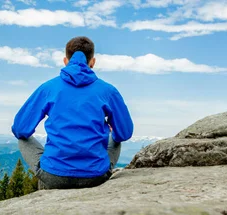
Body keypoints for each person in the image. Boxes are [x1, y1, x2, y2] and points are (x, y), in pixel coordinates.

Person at [11, 36, 134, 189]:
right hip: (96, 176)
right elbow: (125, 133)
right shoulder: (108, 91)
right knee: (116, 139)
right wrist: (110, 130)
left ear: (65, 61)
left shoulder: (49, 88)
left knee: (23, 140)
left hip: (54, 176)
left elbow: (19, 129)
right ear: (93, 62)